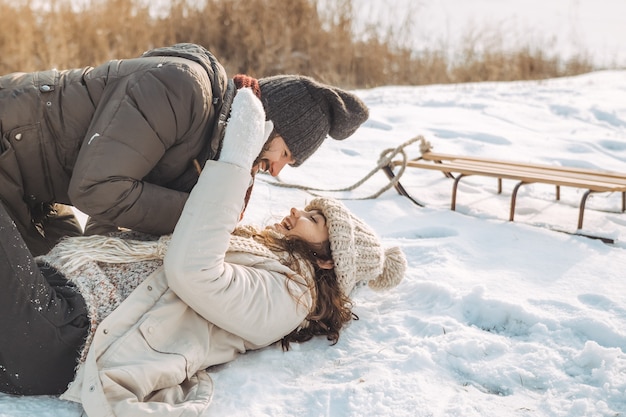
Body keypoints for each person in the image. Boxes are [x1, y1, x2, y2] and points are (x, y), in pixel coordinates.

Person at [0, 87, 405, 416]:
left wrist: (237, 159)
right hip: (55, 290)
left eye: (314, 220)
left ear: (327, 259)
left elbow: (192, 271)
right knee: (26, 187)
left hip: (62, 333)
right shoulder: (260, 253)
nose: (298, 210)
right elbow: (121, 240)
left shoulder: (287, 299)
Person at [0, 42, 369, 257]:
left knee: (65, 267)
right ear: (270, 122)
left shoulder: (209, 148)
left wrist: (107, 259)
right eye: (287, 155)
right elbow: (99, 190)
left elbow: (111, 208)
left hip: (38, 184)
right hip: (9, 145)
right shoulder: (183, 90)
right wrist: (202, 214)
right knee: (34, 324)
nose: (276, 170)